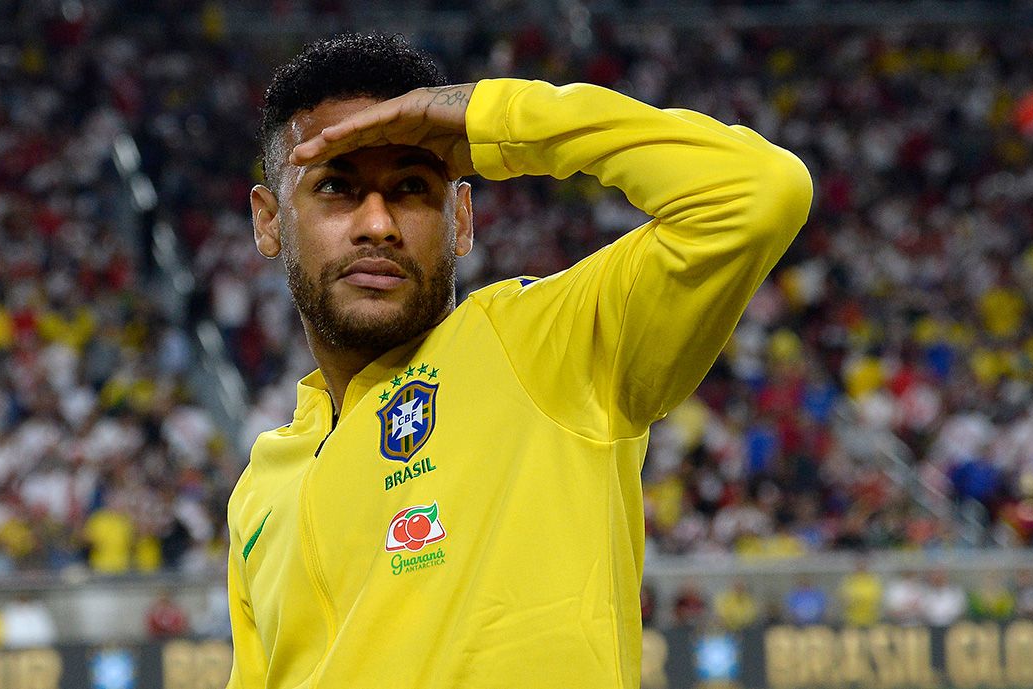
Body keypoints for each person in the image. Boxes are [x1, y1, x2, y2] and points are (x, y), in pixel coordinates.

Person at [226, 33, 811, 689]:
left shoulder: (550, 345)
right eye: (336, 187)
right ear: (270, 221)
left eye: (413, 187)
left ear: (462, 219)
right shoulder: (260, 487)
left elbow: (757, 191)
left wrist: (494, 118)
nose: (377, 224)